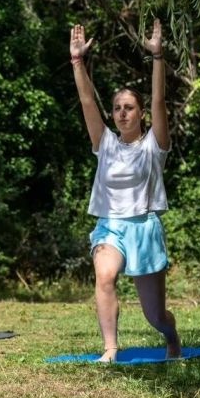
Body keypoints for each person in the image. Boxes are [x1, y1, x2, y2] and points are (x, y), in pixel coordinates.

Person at [70, 20, 181, 362]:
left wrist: (157, 56)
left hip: (144, 228)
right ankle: (110, 349)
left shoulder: (154, 145)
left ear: (141, 114)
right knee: (104, 275)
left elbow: (160, 99)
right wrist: (77, 61)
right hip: (111, 226)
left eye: (128, 107)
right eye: (117, 108)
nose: (121, 113)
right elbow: (88, 101)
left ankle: (171, 336)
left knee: (155, 316)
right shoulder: (104, 143)